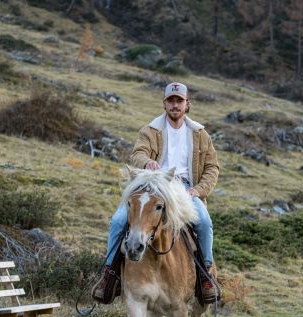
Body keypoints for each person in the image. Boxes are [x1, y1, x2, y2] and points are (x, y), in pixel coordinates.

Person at [92, 82, 220, 302]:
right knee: (118, 221)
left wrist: (198, 190)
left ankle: (206, 275)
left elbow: (212, 167)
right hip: (154, 185)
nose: (175, 105)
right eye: (171, 101)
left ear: (187, 104)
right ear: (164, 104)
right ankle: (109, 275)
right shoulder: (150, 130)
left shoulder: (200, 133)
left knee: (204, 223)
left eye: (179, 101)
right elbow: (137, 153)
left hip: (185, 189)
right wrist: (148, 162)